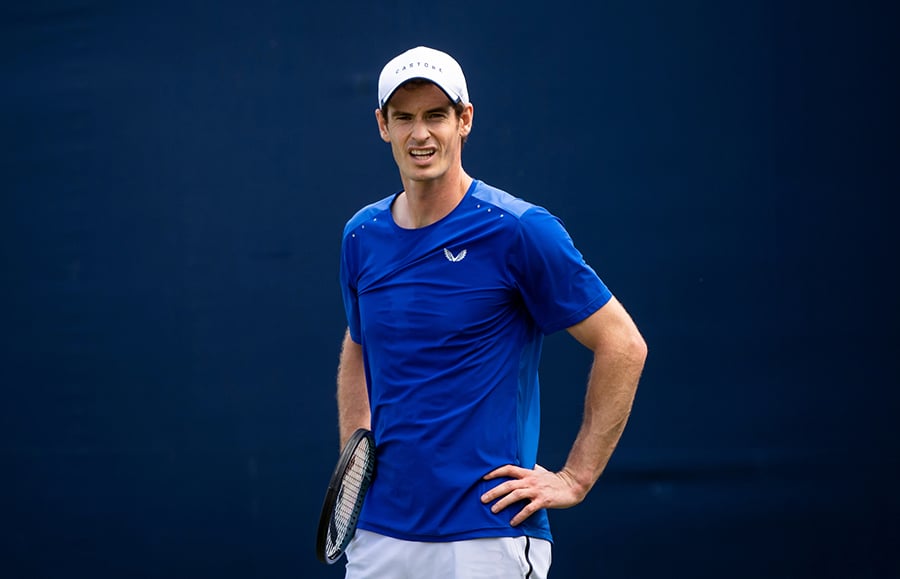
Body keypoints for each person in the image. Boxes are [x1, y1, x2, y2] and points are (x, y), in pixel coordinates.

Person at [336, 46, 647, 579]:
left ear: (465, 120)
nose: (421, 135)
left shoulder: (520, 230)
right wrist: (353, 456)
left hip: (488, 537)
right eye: (404, 117)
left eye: (436, 115)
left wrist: (575, 478)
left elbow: (623, 343)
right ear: (382, 126)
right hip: (380, 534)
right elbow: (358, 345)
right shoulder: (362, 236)